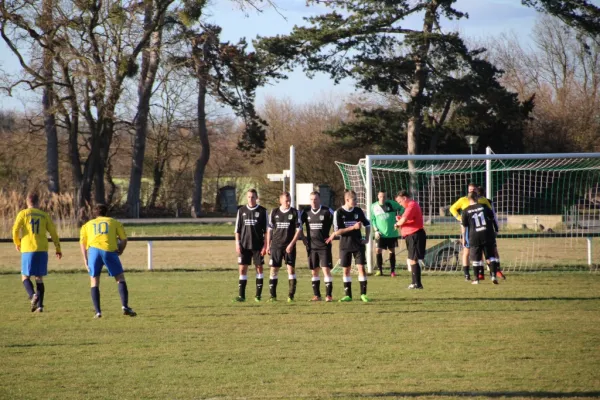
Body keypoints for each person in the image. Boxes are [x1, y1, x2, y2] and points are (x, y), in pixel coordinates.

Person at [79, 204, 136, 318]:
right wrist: (120, 250)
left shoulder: (87, 225)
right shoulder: (114, 222)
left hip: (93, 251)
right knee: (120, 278)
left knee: (94, 281)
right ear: (106, 213)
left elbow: (83, 243)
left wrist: (85, 259)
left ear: (94, 214)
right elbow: (124, 239)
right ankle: (125, 306)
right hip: (109, 250)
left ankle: (98, 312)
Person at [12, 192, 62, 313]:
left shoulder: (23, 213)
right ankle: (40, 307)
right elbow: (53, 233)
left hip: (28, 248)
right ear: (38, 202)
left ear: (27, 201)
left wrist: (17, 242)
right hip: (42, 248)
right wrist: (58, 248)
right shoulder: (44, 215)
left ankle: (32, 295)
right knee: (39, 278)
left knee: (25, 276)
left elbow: (15, 229)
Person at [327, 190, 371, 302]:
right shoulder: (339, 212)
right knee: (346, 270)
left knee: (361, 268)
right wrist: (353, 227)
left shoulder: (358, 211)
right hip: (345, 245)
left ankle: (363, 294)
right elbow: (337, 232)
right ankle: (348, 295)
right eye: (354, 199)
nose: (356, 201)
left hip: (358, 244)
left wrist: (366, 238)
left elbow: (368, 224)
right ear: (347, 200)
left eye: (356, 199)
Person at [449, 183, 493, 281]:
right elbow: (452, 208)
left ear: (477, 190)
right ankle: (466, 274)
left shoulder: (482, 200)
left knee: (480, 251)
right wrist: (459, 218)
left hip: (480, 229)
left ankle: (481, 273)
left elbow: (490, 210)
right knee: (467, 251)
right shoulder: (463, 200)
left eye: (473, 189)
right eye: (470, 189)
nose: (471, 191)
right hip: (468, 228)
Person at [233, 188, 268, 302]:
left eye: (253, 197)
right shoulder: (241, 210)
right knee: (242, 269)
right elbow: (237, 229)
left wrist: (265, 245)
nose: (251, 199)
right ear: (246, 197)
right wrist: (237, 244)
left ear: (256, 198)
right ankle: (241, 296)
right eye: (249, 197)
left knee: (259, 269)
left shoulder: (263, 211)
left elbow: (267, 231)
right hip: (244, 245)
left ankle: (258, 296)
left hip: (258, 245)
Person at [266, 192, 301, 302]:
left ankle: (291, 296)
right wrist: (268, 245)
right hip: (276, 246)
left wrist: (291, 244)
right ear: (280, 201)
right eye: (286, 200)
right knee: (273, 270)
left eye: (289, 200)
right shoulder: (274, 212)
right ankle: (273, 296)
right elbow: (270, 230)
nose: (288, 202)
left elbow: (298, 230)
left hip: (289, 246)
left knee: (290, 270)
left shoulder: (295, 212)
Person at [300, 191, 335, 302]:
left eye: (315, 199)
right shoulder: (306, 212)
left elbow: (337, 224)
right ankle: (317, 295)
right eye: (311, 199)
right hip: (311, 247)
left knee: (326, 270)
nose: (313, 201)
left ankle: (328, 295)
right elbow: (298, 226)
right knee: (314, 271)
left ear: (319, 200)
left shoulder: (327, 211)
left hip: (324, 246)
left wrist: (333, 236)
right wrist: (304, 238)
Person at [460, 192, 500, 284]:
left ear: (468, 199)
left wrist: (465, 239)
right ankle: (493, 276)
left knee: (476, 259)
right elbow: (492, 218)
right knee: (491, 257)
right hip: (487, 234)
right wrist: (496, 230)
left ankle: (476, 279)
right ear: (477, 197)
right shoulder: (484, 207)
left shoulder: (465, 211)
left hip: (474, 236)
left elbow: (465, 226)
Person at [395, 190, 426, 289]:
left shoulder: (412, 205)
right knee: (412, 259)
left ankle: (417, 283)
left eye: (400, 202)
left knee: (413, 259)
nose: (400, 204)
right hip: (411, 235)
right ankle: (415, 283)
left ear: (404, 198)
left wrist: (397, 223)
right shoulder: (410, 206)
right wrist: (400, 219)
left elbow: (403, 220)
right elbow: (408, 219)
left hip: (415, 234)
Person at [370, 190, 403, 277]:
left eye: (384, 196)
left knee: (391, 250)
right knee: (378, 250)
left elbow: (402, 208)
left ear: (387, 197)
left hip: (392, 233)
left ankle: (392, 271)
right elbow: (373, 219)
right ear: (378, 196)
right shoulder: (373, 206)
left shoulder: (392, 204)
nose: (382, 198)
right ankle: (379, 270)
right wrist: (376, 230)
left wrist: (399, 216)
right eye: (381, 196)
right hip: (380, 233)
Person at [477, 186, 506, 280]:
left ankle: (496, 270)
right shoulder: (471, 204)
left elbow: (493, 215)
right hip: (478, 231)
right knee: (483, 251)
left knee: (493, 250)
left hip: (488, 230)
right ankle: (482, 272)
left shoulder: (488, 202)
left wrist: (496, 228)